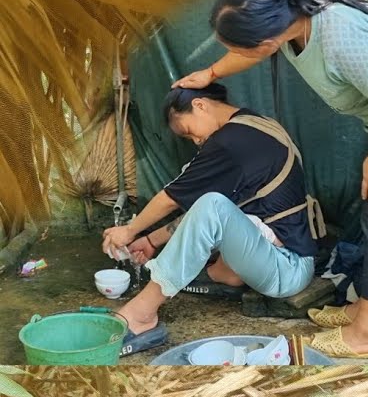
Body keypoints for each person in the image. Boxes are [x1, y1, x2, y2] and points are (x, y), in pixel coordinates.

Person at [174, 0, 368, 359]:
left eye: (234, 48)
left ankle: (367, 335)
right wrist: (210, 73)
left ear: (265, 41)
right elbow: (252, 52)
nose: (232, 55)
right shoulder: (291, 10)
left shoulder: (341, 40)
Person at [102, 84, 323, 357]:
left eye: (187, 131)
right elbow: (202, 213)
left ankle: (142, 315)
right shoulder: (254, 125)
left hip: (287, 268)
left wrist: (130, 230)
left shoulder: (230, 142)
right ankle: (226, 274)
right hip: (277, 257)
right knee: (212, 205)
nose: (194, 141)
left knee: (212, 205)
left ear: (200, 105)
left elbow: (174, 198)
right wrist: (149, 240)